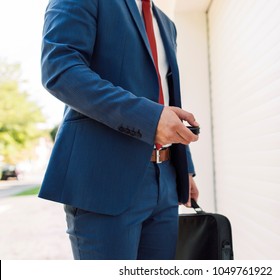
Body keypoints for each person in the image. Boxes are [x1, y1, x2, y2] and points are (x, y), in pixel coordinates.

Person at [39, 0, 200, 260]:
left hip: (166, 179)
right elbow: (60, 70)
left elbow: (167, 99)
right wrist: (148, 119)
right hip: (104, 180)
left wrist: (185, 166)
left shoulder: (166, 24)